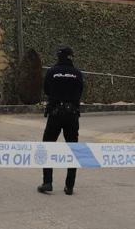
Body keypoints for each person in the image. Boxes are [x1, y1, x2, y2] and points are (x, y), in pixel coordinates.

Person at [37, 47, 84, 196]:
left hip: (55, 113)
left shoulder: (52, 72)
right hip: (72, 114)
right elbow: (80, 91)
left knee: (48, 146)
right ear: (71, 57)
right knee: (73, 149)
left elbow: (46, 90)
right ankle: (69, 186)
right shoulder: (77, 74)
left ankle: (47, 182)